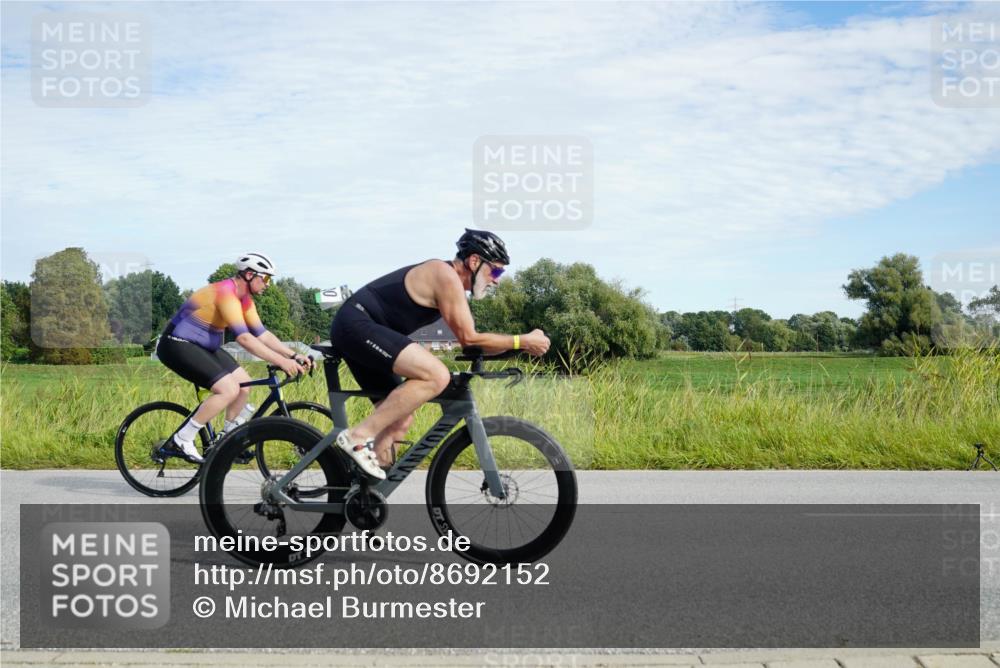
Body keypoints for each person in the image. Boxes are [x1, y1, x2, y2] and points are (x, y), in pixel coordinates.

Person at [330, 229, 550, 479]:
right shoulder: (444, 275)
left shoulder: (454, 286)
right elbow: (469, 337)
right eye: (496, 271)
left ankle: (365, 492)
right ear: (475, 261)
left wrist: (518, 346)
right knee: (436, 375)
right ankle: (357, 436)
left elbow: (471, 343)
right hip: (356, 324)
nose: (497, 279)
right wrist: (522, 341)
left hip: (369, 332)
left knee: (399, 420)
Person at [155, 253, 311, 463]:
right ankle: (182, 438)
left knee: (244, 385)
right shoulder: (226, 293)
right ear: (248, 274)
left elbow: (262, 334)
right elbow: (245, 339)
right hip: (176, 344)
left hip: (203, 346)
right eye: (265, 278)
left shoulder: (245, 300)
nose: (268, 284)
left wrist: (292, 354)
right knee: (228, 389)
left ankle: (226, 441)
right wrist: (282, 362)